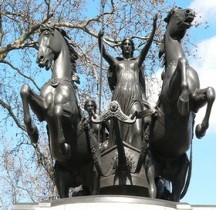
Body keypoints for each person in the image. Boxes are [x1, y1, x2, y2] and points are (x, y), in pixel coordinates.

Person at [98, 15, 157, 149]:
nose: (127, 46)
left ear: (132, 48)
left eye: (129, 44)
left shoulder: (137, 62)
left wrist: (153, 29)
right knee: (116, 130)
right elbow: (104, 53)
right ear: (121, 47)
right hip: (119, 98)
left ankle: (136, 161)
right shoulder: (116, 63)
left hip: (134, 98)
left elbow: (147, 47)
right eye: (124, 44)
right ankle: (117, 159)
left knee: (137, 129)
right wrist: (99, 39)